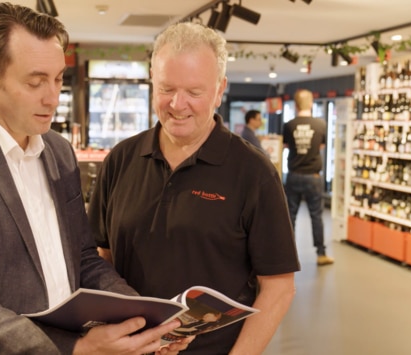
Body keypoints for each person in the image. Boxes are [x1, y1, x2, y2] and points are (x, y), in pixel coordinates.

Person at [0, 3, 190, 354]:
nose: (52, 97)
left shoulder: (58, 150)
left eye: (59, 78)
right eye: (35, 82)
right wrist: (74, 348)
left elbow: (83, 259)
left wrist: (150, 322)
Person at [88, 21, 300, 354]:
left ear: (219, 90)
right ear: (152, 81)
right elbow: (104, 258)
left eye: (194, 92)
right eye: (167, 88)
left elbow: (278, 287)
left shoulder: (254, 172)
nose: (177, 104)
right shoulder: (120, 159)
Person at [282, 89, 334, 266]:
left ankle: (287, 255)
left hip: (294, 175)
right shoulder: (321, 125)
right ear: (311, 104)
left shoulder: (289, 125)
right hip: (313, 177)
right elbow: (321, 146)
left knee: (290, 216)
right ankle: (321, 254)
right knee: (316, 216)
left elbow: (286, 146)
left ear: (295, 105)